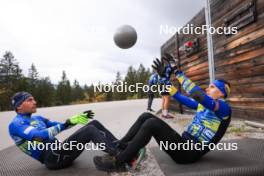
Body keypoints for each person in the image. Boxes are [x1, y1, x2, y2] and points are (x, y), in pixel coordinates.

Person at [93, 57, 232, 172]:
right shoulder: (203, 105)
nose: (207, 88)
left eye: (212, 87)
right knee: (146, 116)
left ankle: (119, 163)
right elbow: (177, 95)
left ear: (222, 93)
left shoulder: (224, 109)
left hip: (189, 154)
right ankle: (122, 147)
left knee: (152, 124)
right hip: (182, 144)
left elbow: (198, 94)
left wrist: (177, 72)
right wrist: (164, 78)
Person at [8, 91, 120, 170]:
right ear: (18, 106)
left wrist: (73, 120)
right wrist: (66, 123)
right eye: (29, 100)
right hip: (52, 158)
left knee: (93, 123)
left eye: (33, 99)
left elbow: (61, 126)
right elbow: (40, 136)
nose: (35, 102)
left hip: (60, 150)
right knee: (89, 130)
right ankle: (121, 157)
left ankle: (120, 146)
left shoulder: (38, 118)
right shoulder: (16, 124)